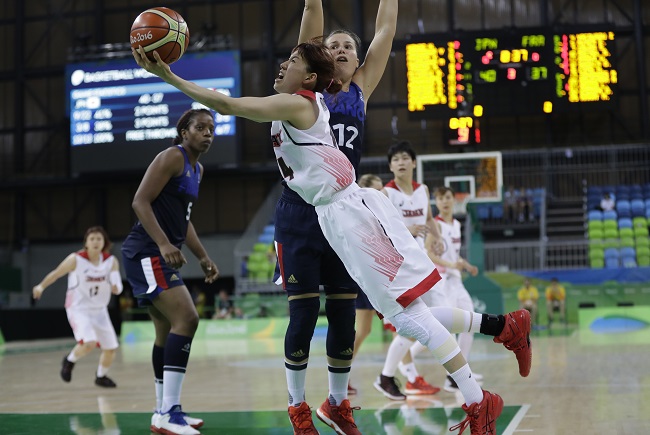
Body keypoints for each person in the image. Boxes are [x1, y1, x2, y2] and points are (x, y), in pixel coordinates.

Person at [132, 33, 532, 435]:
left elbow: (229, 104)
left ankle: (481, 401)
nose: (283, 64)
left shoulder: (297, 104)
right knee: (403, 314)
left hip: (349, 214)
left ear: (308, 80)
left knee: (407, 317)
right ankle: (503, 332)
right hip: (335, 218)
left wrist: (170, 75)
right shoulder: (295, 104)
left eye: (292, 61)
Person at [278, 1, 402, 433]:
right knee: (304, 315)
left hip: (345, 214)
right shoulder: (308, 93)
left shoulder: (360, 89)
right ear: (322, 58)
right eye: (333, 46)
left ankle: (336, 403)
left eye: (349, 45)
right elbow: (311, 22)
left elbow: (385, 29)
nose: (342, 49)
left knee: (345, 317)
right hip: (300, 213)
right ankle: (297, 407)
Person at [121, 108, 220, 435]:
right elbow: (140, 202)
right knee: (187, 319)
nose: (207, 133)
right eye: (200, 128)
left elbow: (183, 218)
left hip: (156, 253)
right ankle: (168, 412)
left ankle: (162, 410)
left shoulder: (197, 169)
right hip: (146, 252)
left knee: (165, 331)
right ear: (184, 131)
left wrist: (203, 256)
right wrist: (164, 244)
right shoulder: (171, 157)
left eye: (211, 129)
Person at [374, 142, 441, 400]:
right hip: (396, 265)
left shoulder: (423, 190)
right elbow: (378, 228)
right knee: (413, 323)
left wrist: (436, 236)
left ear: (414, 162)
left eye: (405, 158)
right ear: (390, 166)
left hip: (419, 262)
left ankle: (402, 373)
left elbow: (427, 219)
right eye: (396, 159)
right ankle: (391, 375)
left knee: (424, 322)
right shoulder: (386, 194)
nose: (401, 162)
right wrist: (406, 231)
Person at [32, 226, 122, 388]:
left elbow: (118, 285)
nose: (95, 242)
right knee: (89, 343)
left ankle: (100, 377)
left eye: (99, 239)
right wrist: (40, 286)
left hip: (100, 310)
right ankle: (69, 360)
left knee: (111, 349)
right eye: (92, 239)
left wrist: (116, 288)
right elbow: (56, 274)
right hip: (78, 308)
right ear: (86, 242)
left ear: (104, 242)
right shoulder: (76, 259)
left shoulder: (111, 261)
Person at [425, 186, 483, 393]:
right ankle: (451, 375)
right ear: (437, 203)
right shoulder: (435, 226)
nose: (444, 202)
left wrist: (465, 265)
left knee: (470, 322)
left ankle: (461, 371)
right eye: (440, 199)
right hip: (441, 280)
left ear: (453, 200)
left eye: (447, 197)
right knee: (446, 328)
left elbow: (453, 254)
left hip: (456, 279)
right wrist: (451, 265)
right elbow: (429, 255)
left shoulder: (457, 224)